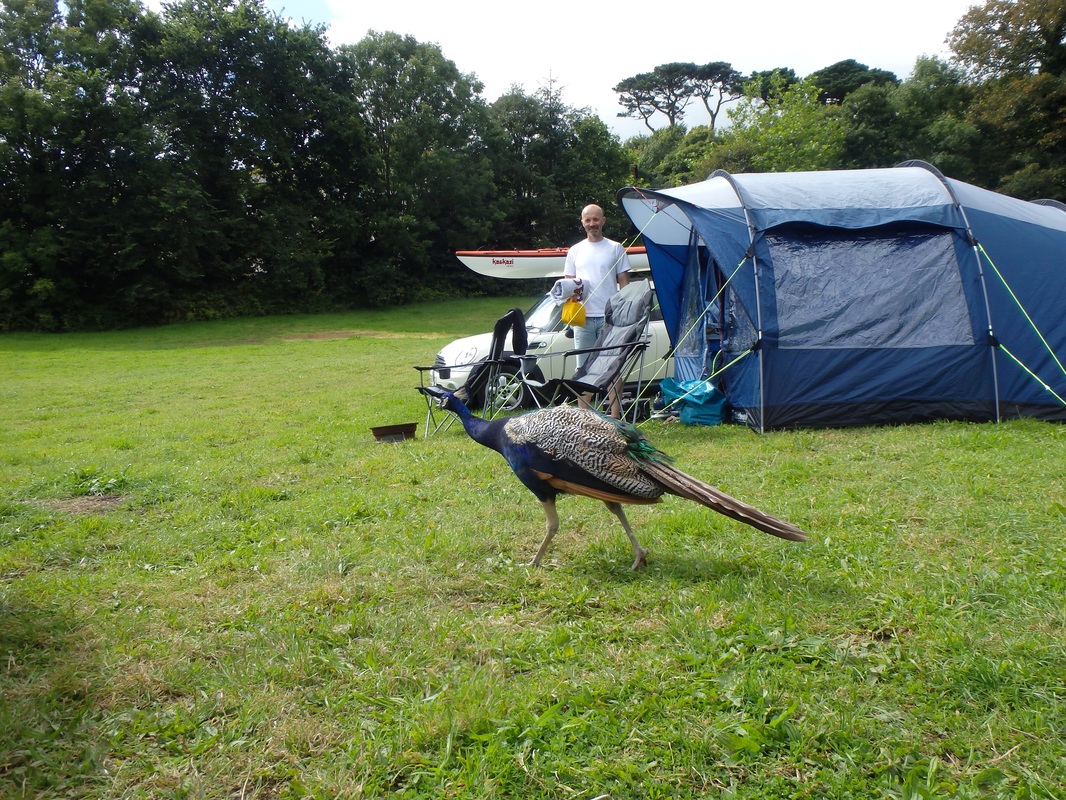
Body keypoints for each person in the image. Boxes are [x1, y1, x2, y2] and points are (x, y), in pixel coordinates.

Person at [563, 203, 631, 416]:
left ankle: (615, 415)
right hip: (582, 320)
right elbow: (568, 283)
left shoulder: (615, 248)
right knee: (583, 369)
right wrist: (570, 291)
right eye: (588, 220)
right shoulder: (575, 251)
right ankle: (585, 417)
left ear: (603, 220)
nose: (592, 223)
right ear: (582, 223)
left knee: (613, 367)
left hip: (609, 318)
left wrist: (624, 312)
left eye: (596, 219)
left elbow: (624, 283)